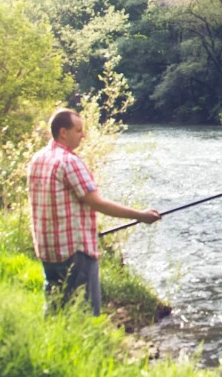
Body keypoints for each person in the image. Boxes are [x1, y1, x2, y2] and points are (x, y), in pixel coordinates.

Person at [27, 108, 161, 315]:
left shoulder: (38, 158)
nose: (83, 135)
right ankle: (81, 344)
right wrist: (140, 215)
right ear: (64, 132)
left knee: (55, 308)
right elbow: (97, 203)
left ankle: (53, 342)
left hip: (48, 249)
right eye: (78, 130)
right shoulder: (69, 161)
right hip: (74, 251)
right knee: (85, 313)